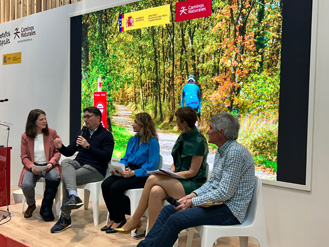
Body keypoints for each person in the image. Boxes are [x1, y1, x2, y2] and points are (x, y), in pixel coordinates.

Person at [137, 112, 256, 247]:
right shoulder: (222, 151)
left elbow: (224, 192)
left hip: (229, 211)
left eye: (211, 128)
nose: (208, 131)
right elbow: (212, 183)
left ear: (221, 132)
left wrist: (193, 202)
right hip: (217, 205)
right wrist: (191, 196)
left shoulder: (235, 153)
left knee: (176, 219)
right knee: (168, 211)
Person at [116, 107, 208, 234]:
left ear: (184, 122)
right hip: (179, 180)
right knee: (155, 191)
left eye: (177, 120)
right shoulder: (182, 136)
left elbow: (192, 172)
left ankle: (135, 219)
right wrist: (169, 172)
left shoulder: (199, 140)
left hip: (192, 184)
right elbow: (176, 163)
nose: (176, 122)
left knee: (153, 178)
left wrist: (172, 175)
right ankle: (153, 235)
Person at [50, 106, 114, 233]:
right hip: (79, 163)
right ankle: (73, 195)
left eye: (88, 116)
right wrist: (60, 146)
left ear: (98, 118)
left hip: (95, 168)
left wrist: (88, 146)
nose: (85, 119)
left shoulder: (106, 136)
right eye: (84, 117)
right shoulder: (82, 132)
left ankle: (65, 218)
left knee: (67, 178)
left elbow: (106, 157)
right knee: (67, 162)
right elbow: (69, 152)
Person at [100, 113, 160, 233]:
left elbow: (151, 166)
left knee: (116, 187)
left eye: (135, 122)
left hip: (143, 175)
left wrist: (133, 173)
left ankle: (120, 219)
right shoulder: (133, 140)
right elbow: (126, 157)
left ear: (143, 125)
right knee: (105, 184)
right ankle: (113, 217)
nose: (132, 124)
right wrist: (119, 168)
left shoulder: (153, 143)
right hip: (129, 170)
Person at [19, 109, 61, 221]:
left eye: (45, 118)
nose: (45, 121)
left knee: (54, 177)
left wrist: (51, 163)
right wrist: (31, 167)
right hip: (32, 167)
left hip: (49, 166)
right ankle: (31, 204)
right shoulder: (25, 136)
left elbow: (58, 151)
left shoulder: (52, 133)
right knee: (26, 185)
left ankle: (46, 206)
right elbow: (23, 156)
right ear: (33, 121)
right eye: (41, 119)